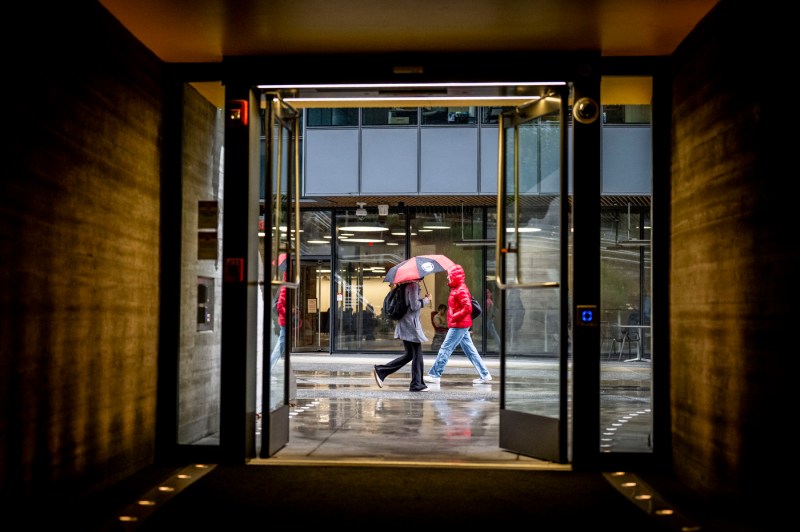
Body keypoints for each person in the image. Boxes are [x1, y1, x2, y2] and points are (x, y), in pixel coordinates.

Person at [424, 265, 492, 385]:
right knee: (471, 351)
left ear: (455, 276)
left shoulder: (460, 289)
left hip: (459, 324)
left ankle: (435, 374)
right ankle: (485, 374)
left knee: (445, 349)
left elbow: (468, 308)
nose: (447, 277)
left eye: (449, 275)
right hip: (461, 324)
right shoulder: (457, 288)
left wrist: (454, 317)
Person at [372, 280, 431, 392]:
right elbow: (414, 306)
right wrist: (426, 300)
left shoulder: (404, 286)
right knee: (417, 355)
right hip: (411, 326)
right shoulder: (413, 286)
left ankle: (381, 371)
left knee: (409, 354)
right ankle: (416, 384)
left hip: (404, 324)